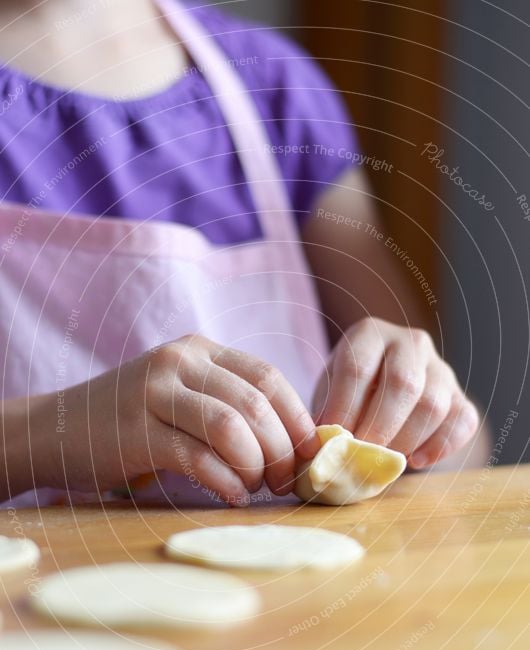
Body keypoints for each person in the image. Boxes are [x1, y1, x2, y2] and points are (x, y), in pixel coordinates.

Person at [0, 0, 479, 508]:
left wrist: (423, 410)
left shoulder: (272, 84)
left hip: (290, 584)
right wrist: (43, 433)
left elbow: (465, 453)